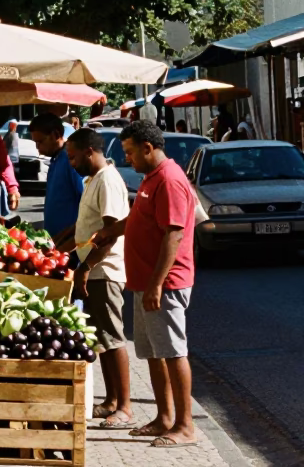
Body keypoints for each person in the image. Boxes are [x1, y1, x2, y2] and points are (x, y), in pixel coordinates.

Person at [92, 120, 196, 448]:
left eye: (130, 152)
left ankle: (185, 426)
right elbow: (141, 218)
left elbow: (174, 234)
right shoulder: (151, 178)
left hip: (164, 284)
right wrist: (112, 230)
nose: (127, 159)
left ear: (148, 148)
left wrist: (156, 285)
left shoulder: (169, 179)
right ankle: (164, 417)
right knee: (154, 354)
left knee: (173, 351)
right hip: (145, 283)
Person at [67, 129, 133, 428]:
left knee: (113, 337)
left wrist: (86, 267)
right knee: (100, 340)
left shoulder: (107, 180)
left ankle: (126, 407)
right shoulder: (92, 180)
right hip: (93, 269)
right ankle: (111, 400)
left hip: (104, 270)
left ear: (89, 151)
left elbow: (109, 233)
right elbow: (86, 226)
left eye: (73, 156)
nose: (70, 162)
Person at [29, 113, 84, 250]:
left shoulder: (70, 161)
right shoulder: (56, 159)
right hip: (56, 243)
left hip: (70, 246)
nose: (38, 148)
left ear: (55, 134)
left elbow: (86, 200)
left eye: (40, 142)